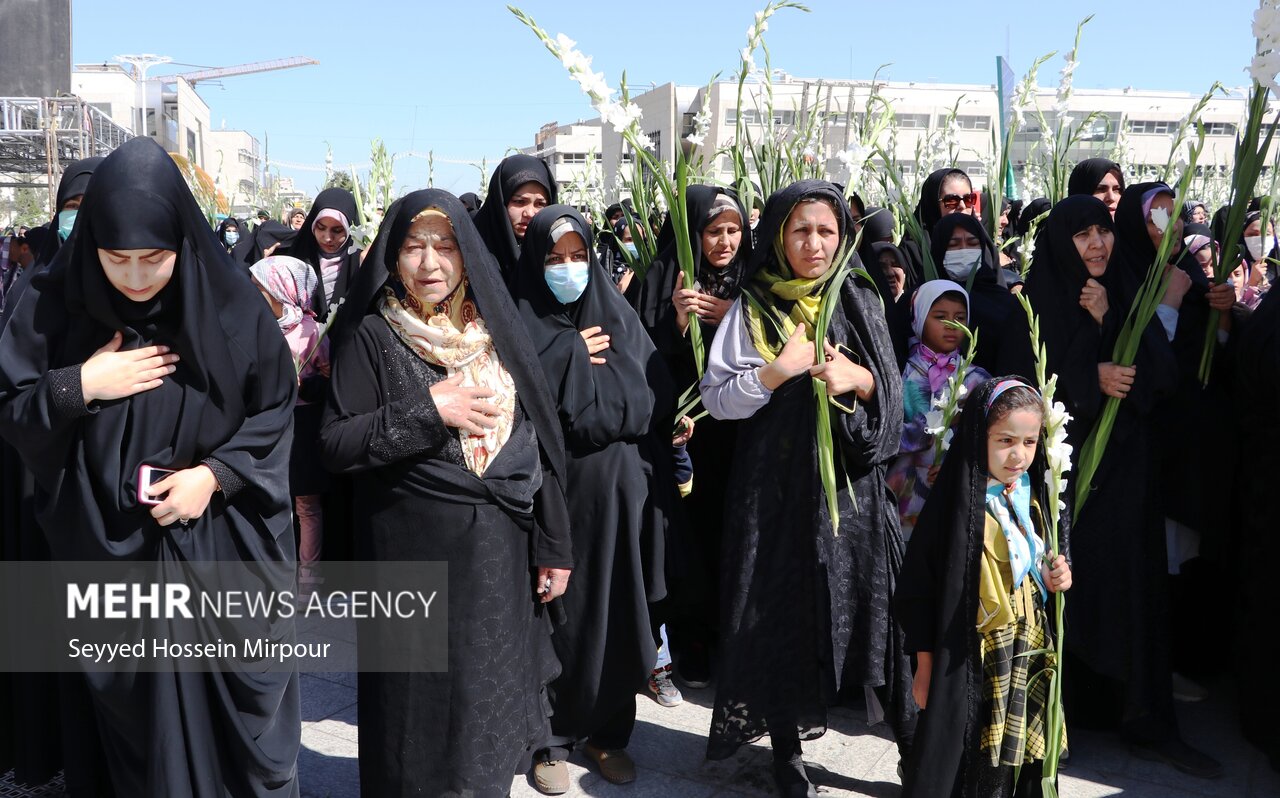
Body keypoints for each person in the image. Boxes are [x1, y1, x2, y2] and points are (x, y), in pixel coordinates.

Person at [0, 136, 301, 797]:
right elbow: (12, 409)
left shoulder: (231, 307)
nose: (135, 278)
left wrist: (214, 476)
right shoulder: (54, 302)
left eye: (154, 258)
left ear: (183, 243)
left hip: (216, 551)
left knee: (225, 747)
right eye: (117, 259)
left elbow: (276, 407)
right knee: (135, 745)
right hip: (108, 555)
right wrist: (78, 384)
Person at [319, 188, 573, 797]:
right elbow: (333, 443)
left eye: (445, 246)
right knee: (413, 719)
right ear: (391, 255)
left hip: (497, 560)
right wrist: (429, 410)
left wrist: (554, 542)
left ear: (468, 254)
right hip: (409, 555)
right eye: (413, 247)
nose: (430, 264)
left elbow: (540, 436)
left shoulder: (494, 327)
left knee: (482, 716)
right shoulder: (370, 333)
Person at [699, 180, 914, 797]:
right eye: (800, 231)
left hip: (854, 495)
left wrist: (861, 381)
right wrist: (776, 371)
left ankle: (911, 743)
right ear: (779, 238)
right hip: (774, 492)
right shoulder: (753, 306)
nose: (814, 244)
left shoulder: (860, 299)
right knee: (779, 612)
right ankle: (786, 752)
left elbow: (893, 404)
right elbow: (718, 400)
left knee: (881, 614)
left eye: (825, 230)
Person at [1054, 185, 1222, 778]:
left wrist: (1110, 318)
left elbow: (1158, 375)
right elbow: (1024, 375)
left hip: (1129, 475)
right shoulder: (1042, 294)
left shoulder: (1125, 282)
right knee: (1074, 589)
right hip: (1070, 475)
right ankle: (1068, 714)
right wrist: (1085, 373)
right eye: (1082, 234)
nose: (1096, 243)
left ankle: (1143, 717)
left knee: (1134, 590)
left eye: (1102, 230)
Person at [509, 206, 670, 792]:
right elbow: (520, 402)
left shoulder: (618, 317)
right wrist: (568, 355)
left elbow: (647, 399)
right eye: (554, 258)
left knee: (616, 612)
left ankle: (609, 734)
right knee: (556, 615)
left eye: (579, 256)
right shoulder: (521, 324)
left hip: (621, 500)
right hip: (553, 495)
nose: (569, 268)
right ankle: (547, 737)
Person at [896, 377, 1073, 797]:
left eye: (1030, 442)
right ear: (979, 436)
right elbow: (918, 590)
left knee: (1009, 757)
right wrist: (925, 667)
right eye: (1005, 440)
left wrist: (1057, 575)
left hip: (1024, 647)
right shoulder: (954, 506)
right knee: (972, 752)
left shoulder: (1031, 497)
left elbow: (1039, 559)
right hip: (976, 656)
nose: (1019, 455)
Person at [628, 186, 754, 690]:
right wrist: (678, 324)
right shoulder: (666, 279)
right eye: (712, 232)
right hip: (684, 435)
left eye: (733, 230)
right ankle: (690, 642)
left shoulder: (752, 280)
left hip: (740, 435)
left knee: (736, 534)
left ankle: (734, 636)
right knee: (689, 539)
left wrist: (733, 316)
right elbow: (640, 356)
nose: (724, 242)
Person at [248, 255, 331, 598]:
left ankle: (308, 581)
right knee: (275, 501)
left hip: (302, 426)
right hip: (269, 424)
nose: (253, 293)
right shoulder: (254, 325)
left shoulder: (312, 331)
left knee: (306, 506)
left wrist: (303, 386)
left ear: (281, 290)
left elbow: (330, 381)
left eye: (260, 288)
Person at [886, 280, 990, 541]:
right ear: (919, 318)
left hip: (953, 491)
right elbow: (887, 436)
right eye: (940, 317)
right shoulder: (900, 372)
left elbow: (987, 438)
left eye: (960, 318)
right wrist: (941, 420)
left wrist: (955, 462)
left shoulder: (976, 378)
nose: (952, 325)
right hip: (905, 494)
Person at [929, 213, 1019, 375]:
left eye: (972, 243)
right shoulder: (920, 302)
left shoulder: (1004, 303)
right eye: (953, 244)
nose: (964, 250)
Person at [472, 154, 556, 286]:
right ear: (500, 202)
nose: (529, 213)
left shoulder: (558, 258)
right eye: (519, 201)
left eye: (540, 204)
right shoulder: (472, 254)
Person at [285, 188, 362, 320]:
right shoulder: (297, 259)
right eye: (321, 228)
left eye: (337, 230)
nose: (327, 238)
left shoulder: (362, 262)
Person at [900, 168, 978, 285]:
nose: (962, 206)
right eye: (951, 200)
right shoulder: (913, 252)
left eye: (968, 199)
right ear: (933, 205)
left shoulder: (981, 243)